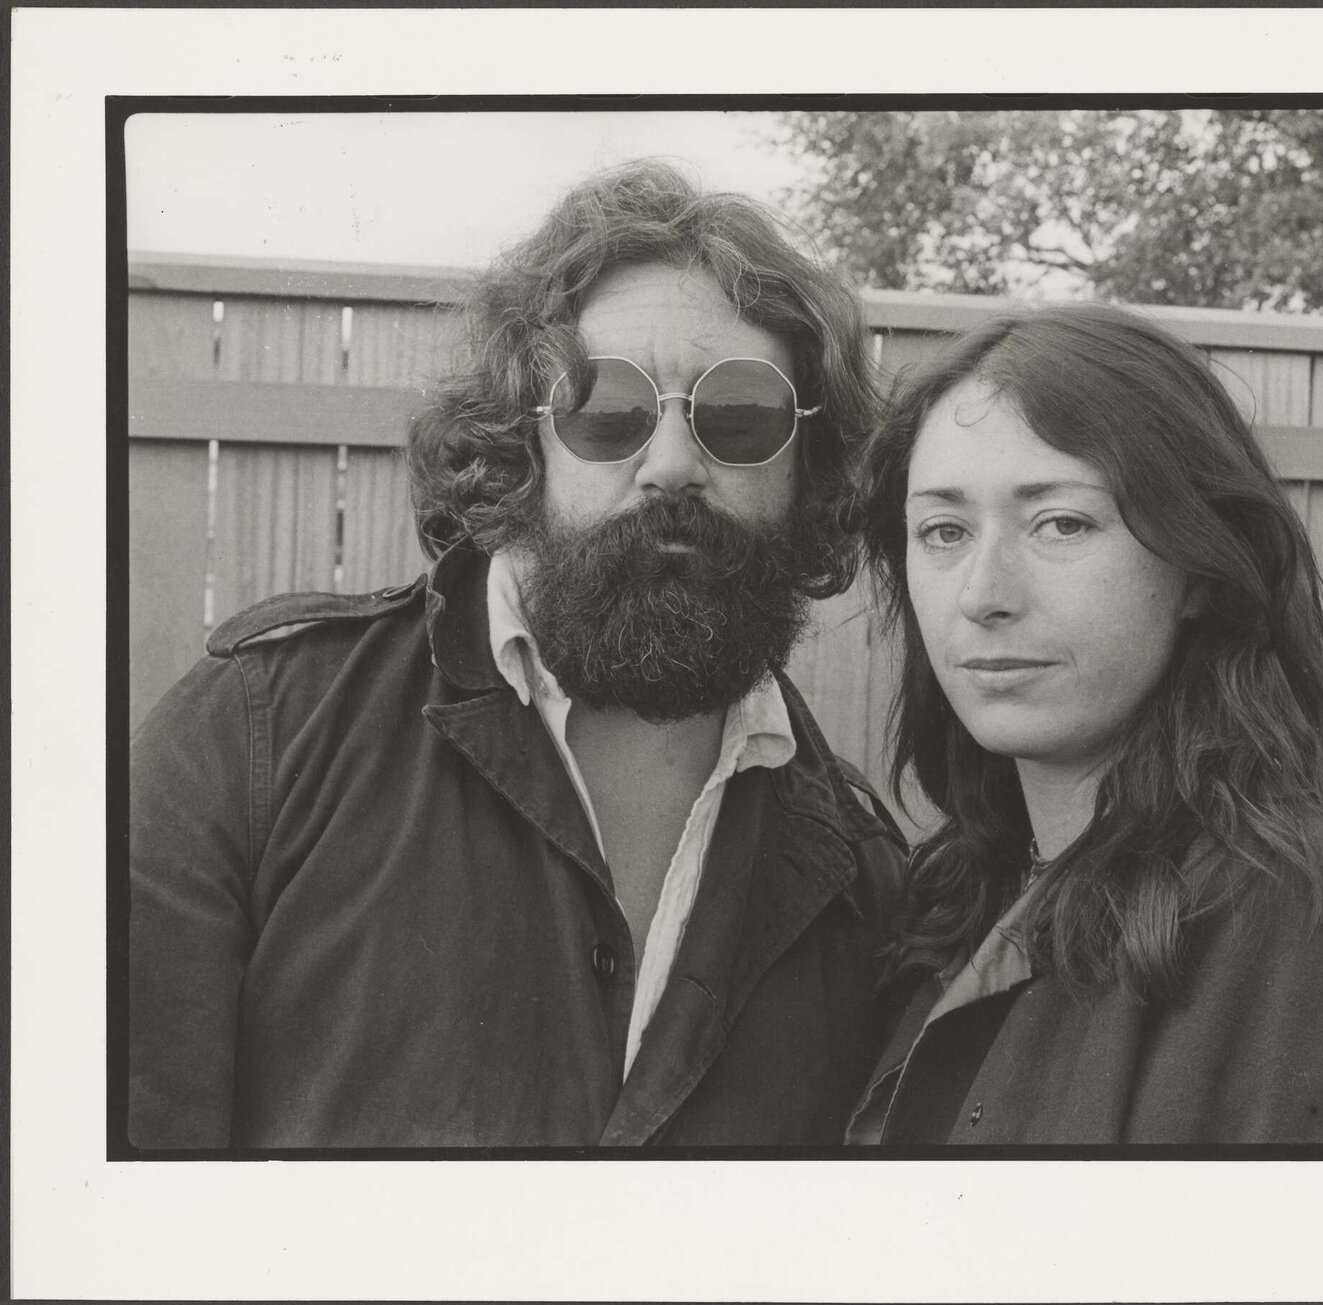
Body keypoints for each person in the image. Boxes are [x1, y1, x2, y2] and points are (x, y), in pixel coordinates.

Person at [129, 161, 905, 1149]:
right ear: (517, 444)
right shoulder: (259, 740)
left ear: (808, 469)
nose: (670, 466)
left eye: (739, 415)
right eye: (607, 409)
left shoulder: (861, 880)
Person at [847, 304, 1323, 1144]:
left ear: (1196, 566)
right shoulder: (957, 905)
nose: (981, 593)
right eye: (943, 531)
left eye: (1062, 523)